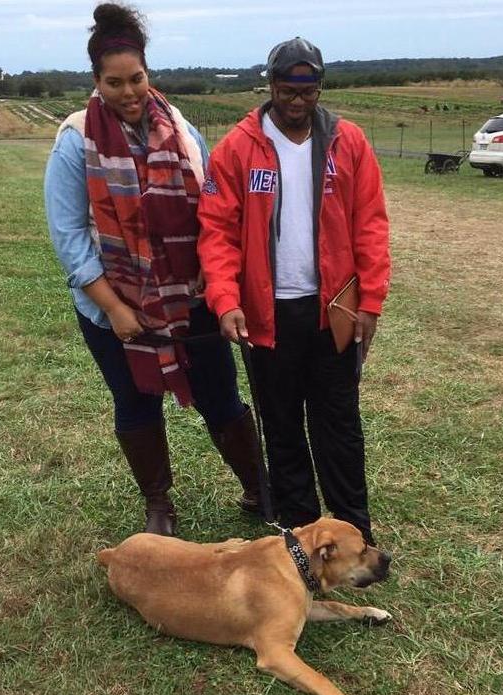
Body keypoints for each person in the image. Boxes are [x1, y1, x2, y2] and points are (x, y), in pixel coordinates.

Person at [44, 3, 262, 537]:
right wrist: (115, 308)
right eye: (114, 82)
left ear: (149, 72)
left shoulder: (183, 131)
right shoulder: (76, 140)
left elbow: (212, 213)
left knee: (221, 397)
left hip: (191, 296)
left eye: (136, 78)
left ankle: (261, 487)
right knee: (136, 399)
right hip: (113, 305)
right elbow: (70, 237)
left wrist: (218, 284)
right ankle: (158, 505)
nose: (129, 92)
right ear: (96, 82)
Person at [197, 37, 391, 545]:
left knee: (339, 427)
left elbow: (370, 223)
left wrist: (370, 301)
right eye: (287, 89)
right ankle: (299, 538)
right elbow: (216, 232)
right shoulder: (238, 148)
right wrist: (226, 299)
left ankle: (354, 534)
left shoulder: (349, 142)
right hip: (267, 316)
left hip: (335, 311)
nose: (298, 100)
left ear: (320, 88)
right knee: (282, 427)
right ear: (271, 86)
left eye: (308, 90)